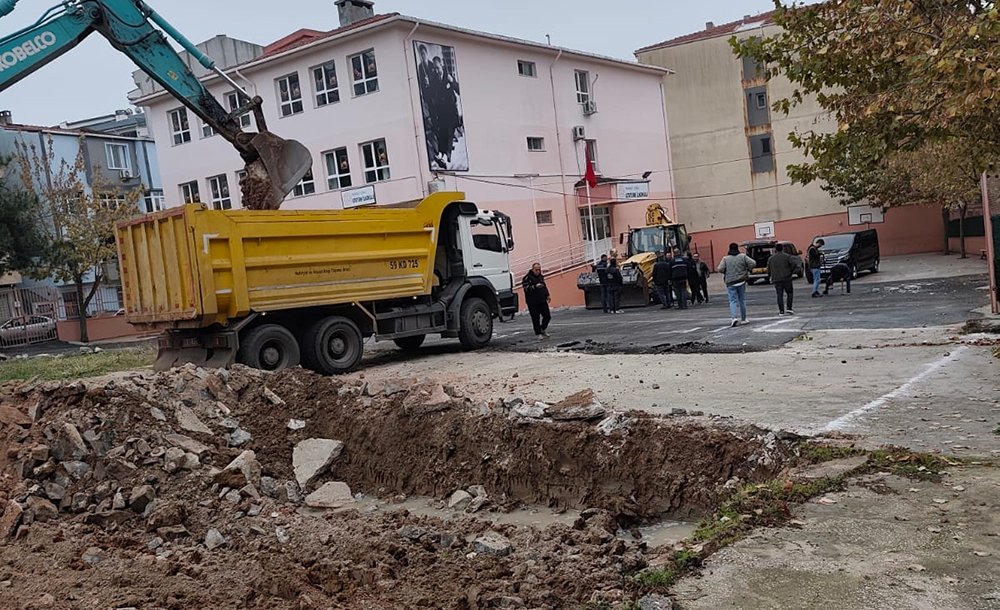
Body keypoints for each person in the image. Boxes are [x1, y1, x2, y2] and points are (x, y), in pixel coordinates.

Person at [717, 242, 757, 327]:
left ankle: (734, 318)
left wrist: (726, 272)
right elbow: (753, 263)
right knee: (742, 300)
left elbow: (720, 269)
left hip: (730, 282)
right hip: (741, 281)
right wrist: (747, 269)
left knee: (732, 300)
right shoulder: (742, 256)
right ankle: (743, 319)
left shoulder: (725, 259)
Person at [766, 242, 798, 315]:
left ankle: (781, 311)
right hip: (787, 278)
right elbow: (794, 264)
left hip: (776, 279)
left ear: (775, 249)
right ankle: (789, 308)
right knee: (789, 293)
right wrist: (791, 271)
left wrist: (769, 276)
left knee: (779, 295)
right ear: (782, 249)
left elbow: (768, 269)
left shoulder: (771, 258)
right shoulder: (787, 256)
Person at [522, 263, 551, 339]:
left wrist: (547, 295)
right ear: (532, 269)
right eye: (536, 270)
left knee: (547, 316)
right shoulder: (527, 278)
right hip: (532, 302)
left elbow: (544, 286)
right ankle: (538, 333)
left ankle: (542, 328)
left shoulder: (541, 277)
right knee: (535, 318)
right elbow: (526, 288)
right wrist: (535, 286)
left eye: (539, 269)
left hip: (542, 300)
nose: (538, 271)